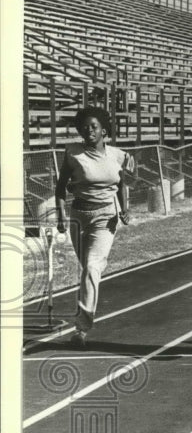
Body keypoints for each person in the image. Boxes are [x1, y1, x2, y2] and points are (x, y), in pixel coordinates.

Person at [54, 106, 135, 347]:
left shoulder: (118, 155)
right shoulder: (73, 153)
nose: (89, 131)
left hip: (105, 217)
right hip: (78, 216)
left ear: (104, 130)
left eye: (94, 127)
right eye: (85, 127)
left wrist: (125, 209)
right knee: (86, 270)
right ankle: (84, 317)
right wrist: (60, 218)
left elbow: (122, 184)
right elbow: (60, 188)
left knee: (92, 268)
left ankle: (81, 330)